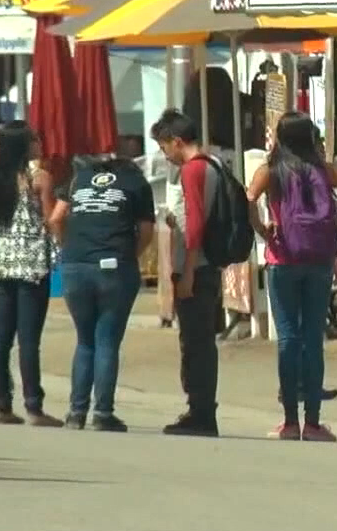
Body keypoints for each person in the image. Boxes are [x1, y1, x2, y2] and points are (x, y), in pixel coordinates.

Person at [246, 111, 337, 441]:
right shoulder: (325, 171)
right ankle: (314, 423)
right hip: (318, 263)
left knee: (288, 338)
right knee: (312, 339)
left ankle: (290, 421)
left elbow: (246, 199)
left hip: (282, 259)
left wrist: (263, 229)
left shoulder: (271, 171)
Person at [49, 153, 156, 432]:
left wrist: (68, 249)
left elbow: (56, 218)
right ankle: (103, 413)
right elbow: (146, 231)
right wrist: (129, 255)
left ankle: (75, 412)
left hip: (74, 266)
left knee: (85, 341)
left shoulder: (77, 180)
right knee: (106, 340)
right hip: (114, 267)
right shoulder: (136, 183)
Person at [0, 122, 62, 427]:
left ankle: (2, 403)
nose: (39, 143)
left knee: (2, 335)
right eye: (35, 139)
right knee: (29, 339)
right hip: (30, 262)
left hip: (2, 260)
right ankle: (34, 405)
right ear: (24, 145)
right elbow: (49, 217)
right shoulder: (39, 178)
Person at [150, 109, 223, 437]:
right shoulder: (214, 166)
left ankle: (201, 411)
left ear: (177, 142)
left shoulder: (193, 171)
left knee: (195, 342)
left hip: (197, 267)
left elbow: (194, 225)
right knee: (201, 340)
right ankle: (202, 408)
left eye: (164, 147)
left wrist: (187, 272)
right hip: (208, 265)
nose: (164, 154)